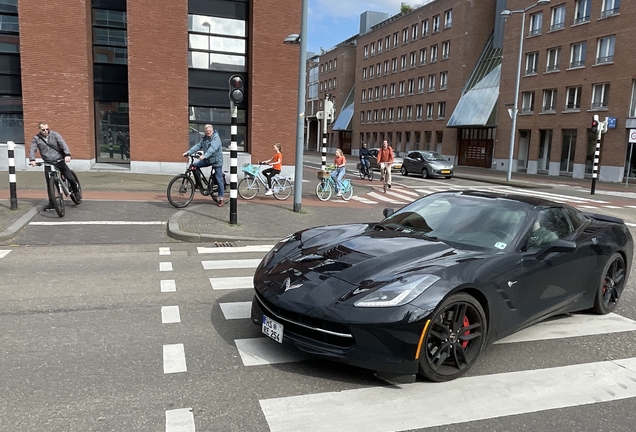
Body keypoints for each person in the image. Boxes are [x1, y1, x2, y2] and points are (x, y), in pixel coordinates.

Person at [29, 122, 80, 211]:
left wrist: (67, 154)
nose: (45, 131)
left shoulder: (55, 134)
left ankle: (76, 192)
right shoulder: (36, 138)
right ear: (39, 130)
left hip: (59, 160)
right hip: (48, 163)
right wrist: (32, 160)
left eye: (47, 129)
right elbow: (32, 149)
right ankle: (52, 204)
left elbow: (63, 144)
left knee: (70, 178)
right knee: (50, 184)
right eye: (43, 130)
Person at [183, 124, 225, 207]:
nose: (208, 133)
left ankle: (221, 198)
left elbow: (212, 148)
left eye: (209, 131)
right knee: (194, 166)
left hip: (217, 161)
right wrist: (188, 152)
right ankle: (199, 183)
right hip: (208, 159)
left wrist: (204, 156)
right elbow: (198, 146)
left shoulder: (216, 138)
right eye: (206, 132)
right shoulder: (204, 138)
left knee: (219, 179)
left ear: (212, 131)